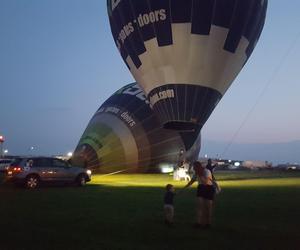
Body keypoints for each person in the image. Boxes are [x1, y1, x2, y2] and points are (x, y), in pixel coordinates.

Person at [184, 161, 215, 229]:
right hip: (201, 188)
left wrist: (200, 175)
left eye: (194, 167)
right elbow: (192, 181)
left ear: (198, 167)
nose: (193, 169)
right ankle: (198, 223)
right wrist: (185, 187)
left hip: (208, 188)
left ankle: (208, 223)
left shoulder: (206, 171)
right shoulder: (196, 173)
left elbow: (205, 182)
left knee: (208, 207)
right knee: (199, 206)